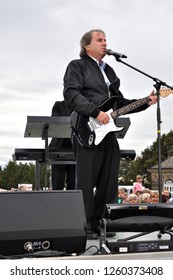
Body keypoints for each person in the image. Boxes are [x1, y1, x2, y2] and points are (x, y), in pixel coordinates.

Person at [63, 29, 157, 233]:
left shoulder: (110, 71)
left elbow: (119, 103)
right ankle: (83, 226)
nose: (105, 43)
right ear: (86, 46)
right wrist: (95, 112)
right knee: (86, 181)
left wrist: (145, 102)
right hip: (86, 128)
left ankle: (102, 223)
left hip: (108, 132)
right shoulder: (77, 66)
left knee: (109, 180)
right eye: (100, 40)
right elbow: (71, 94)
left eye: (106, 40)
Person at [49, 101, 76, 190]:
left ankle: (71, 203)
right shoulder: (58, 105)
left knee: (73, 182)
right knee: (57, 182)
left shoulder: (80, 106)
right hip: (58, 147)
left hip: (74, 148)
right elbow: (55, 122)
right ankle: (56, 203)